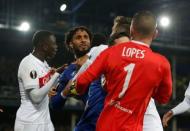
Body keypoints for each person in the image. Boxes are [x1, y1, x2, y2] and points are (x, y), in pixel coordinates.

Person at [72, 11, 172, 131]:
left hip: (106, 125)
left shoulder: (110, 52)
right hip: (134, 126)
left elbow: (81, 81)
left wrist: (78, 91)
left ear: (131, 30)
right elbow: (164, 98)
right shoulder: (161, 63)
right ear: (155, 34)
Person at [14, 30, 59, 131]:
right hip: (29, 123)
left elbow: (47, 90)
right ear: (44, 46)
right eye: (54, 43)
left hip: (44, 120)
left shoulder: (45, 64)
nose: (56, 47)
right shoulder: (29, 63)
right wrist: (55, 76)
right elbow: (36, 98)